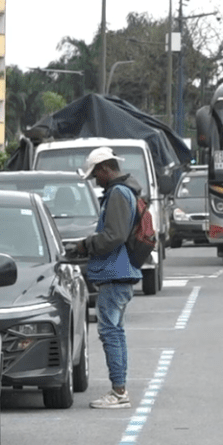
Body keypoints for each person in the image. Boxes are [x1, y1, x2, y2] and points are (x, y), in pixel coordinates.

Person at [74, 147, 144, 410]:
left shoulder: (117, 194)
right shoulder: (126, 191)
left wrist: (86, 245)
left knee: (109, 332)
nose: (95, 181)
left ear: (105, 169)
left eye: (95, 175)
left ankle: (118, 391)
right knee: (116, 332)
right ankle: (120, 388)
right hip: (122, 271)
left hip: (115, 272)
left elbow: (113, 236)